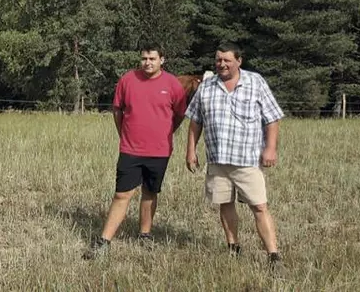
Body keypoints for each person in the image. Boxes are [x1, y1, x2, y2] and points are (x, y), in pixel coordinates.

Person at [184, 42, 285, 272]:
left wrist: (270, 148)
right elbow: (195, 121)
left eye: (227, 60)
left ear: (239, 61)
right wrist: (191, 150)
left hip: (247, 159)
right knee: (225, 204)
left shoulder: (255, 82)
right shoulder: (207, 86)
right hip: (218, 159)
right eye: (219, 60)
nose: (222, 64)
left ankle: (273, 255)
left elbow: (272, 118)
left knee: (259, 206)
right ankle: (233, 246)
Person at [83, 43, 188, 259]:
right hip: (131, 148)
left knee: (150, 192)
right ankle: (104, 241)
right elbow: (117, 110)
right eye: (144, 59)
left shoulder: (173, 85)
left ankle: (145, 234)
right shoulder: (127, 80)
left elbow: (179, 115)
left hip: (159, 151)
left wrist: (166, 133)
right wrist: (124, 135)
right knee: (122, 194)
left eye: (152, 59)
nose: (147, 63)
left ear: (162, 60)